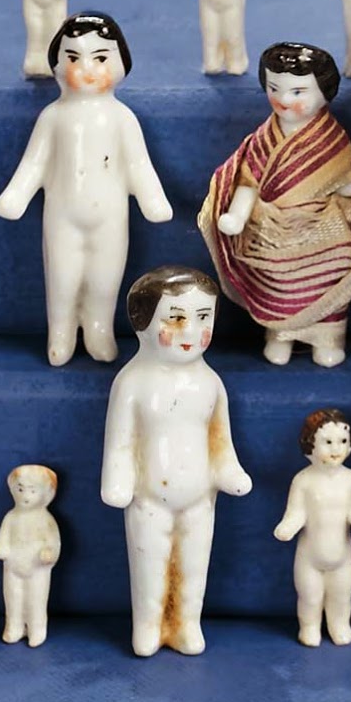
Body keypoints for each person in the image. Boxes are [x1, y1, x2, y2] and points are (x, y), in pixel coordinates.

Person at [0, 12, 172, 366]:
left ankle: (98, 330)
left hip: (109, 217)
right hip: (63, 216)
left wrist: (152, 198)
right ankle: (60, 333)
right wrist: (17, 194)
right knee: (62, 278)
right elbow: (34, 163)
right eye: (74, 58)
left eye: (101, 58)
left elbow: (139, 165)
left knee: (104, 278)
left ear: (121, 64)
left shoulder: (122, 118)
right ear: (57, 66)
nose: (88, 69)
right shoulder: (53, 116)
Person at [101, 266, 252, 657]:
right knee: (150, 566)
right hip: (149, 498)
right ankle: (148, 626)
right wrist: (117, 479)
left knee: (193, 567)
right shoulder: (132, 382)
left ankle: (186, 624)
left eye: (203, 318)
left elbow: (220, 438)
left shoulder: (210, 382)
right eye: (176, 318)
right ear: (142, 323)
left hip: (200, 497)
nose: (190, 332)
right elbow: (120, 442)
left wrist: (229, 470)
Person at [199, 42, 351, 367]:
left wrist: (347, 185)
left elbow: (346, 181)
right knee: (276, 283)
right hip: (270, 228)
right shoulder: (263, 139)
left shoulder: (331, 138)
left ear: (324, 93)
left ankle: (328, 338)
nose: (284, 99)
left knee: (333, 270)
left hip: (321, 226)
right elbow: (249, 182)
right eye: (275, 88)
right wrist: (236, 215)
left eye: (298, 91)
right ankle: (280, 334)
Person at [274, 409, 351, 647]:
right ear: (310, 444)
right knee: (310, 598)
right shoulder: (303, 480)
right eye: (328, 442)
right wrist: (287, 527)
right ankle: (309, 627)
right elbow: (296, 513)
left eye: (342, 441)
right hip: (309, 559)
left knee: (341, 597)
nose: (336, 449)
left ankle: (339, 625)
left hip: (343, 559)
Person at [0, 464, 61, 648]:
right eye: (20, 489)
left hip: (37, 569)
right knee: (13, 599)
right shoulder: (11, 517)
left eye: (32, 490)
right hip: (12, 567)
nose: (25, 495)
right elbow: (3, 538)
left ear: (46, 494)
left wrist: (49, 553)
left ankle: (36, 629)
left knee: (35, 600)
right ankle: (14, 627)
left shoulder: (46, 520)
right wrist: (1, 548)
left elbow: (53, 542)